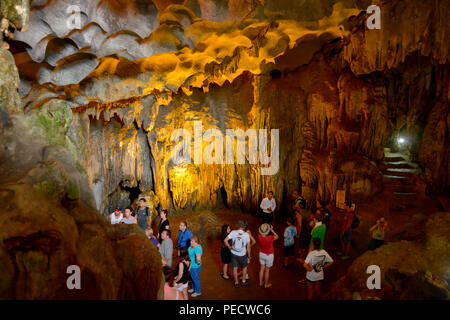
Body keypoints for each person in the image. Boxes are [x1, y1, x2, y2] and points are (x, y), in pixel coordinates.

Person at [224, 221, 251, 288]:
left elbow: (225, 240)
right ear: (244, 227)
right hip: (242, 255)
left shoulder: (233, 232)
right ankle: (243, 281)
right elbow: (248, 246)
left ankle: (236, 283)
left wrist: (229, 247)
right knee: (244, 267)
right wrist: (249, 255)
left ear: (238, 226)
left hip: (234, 253)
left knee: (235, 268)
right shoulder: (246, 235)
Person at [257, 223, 279, 288]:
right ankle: (266, 284)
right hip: (269, 255)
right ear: (268, 231)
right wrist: (272, 230)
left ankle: (260, 283)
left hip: (261, 254)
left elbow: (260, 229)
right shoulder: (270, 238)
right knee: (267, 270)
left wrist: (264, 228)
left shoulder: (259, 236)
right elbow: (277, 236)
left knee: (261, 269)